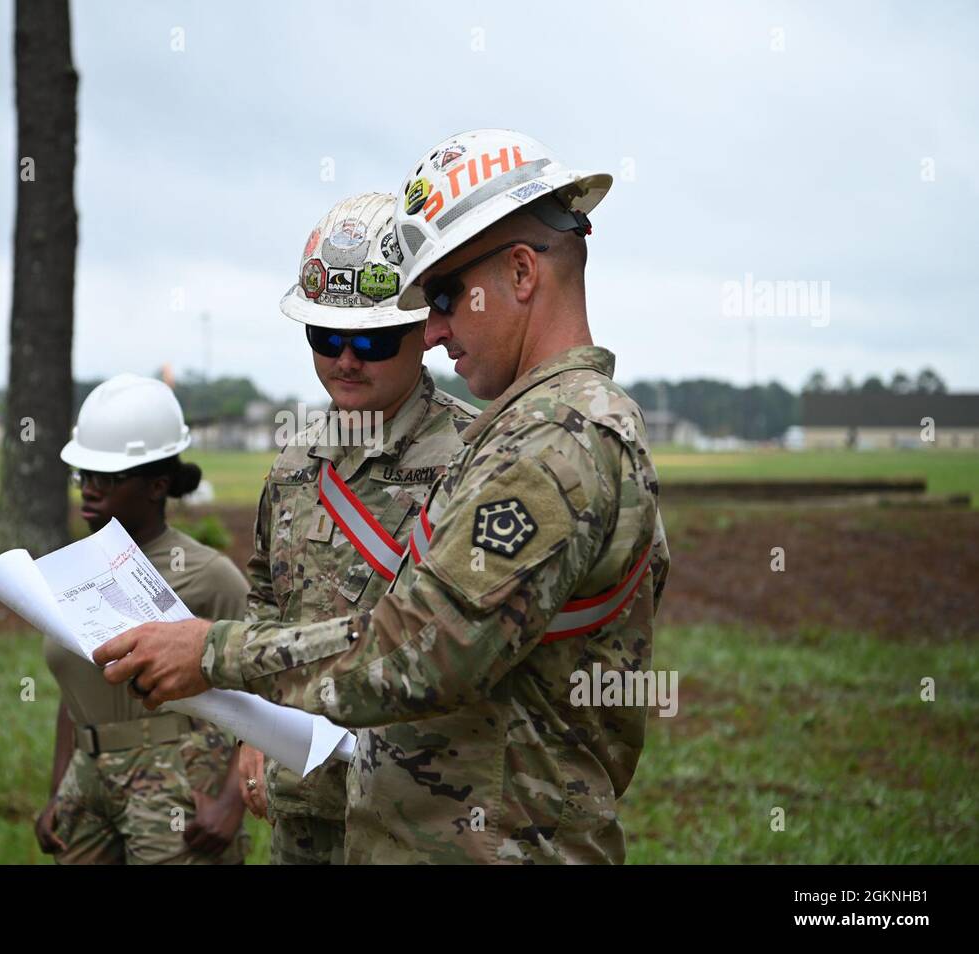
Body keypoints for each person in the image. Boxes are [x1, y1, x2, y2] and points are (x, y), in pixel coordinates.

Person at [94, 129, 672, 864]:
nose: (432, 329)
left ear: (522, 273)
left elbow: (425, 648)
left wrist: (212, 653)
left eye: (442, 296)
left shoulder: (555, 440)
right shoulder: (539, 430)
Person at [234, 192, 476, 864]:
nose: (346, 359)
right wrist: (252, 731)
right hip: (304, 803)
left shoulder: (476, 455)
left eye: (370, 339)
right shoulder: (293, 464)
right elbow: (266, 605)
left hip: (419, 812)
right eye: (325, 338)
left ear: (424, 330)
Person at [35, 374, 251, 865]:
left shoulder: (210, 576)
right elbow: (75, 691)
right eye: (82, 476)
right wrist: (58, 791)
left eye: (106, 479)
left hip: (173, 783)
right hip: (86, 786)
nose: (88, 489)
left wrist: (230, 805)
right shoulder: (72, 571)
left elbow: (268, 691)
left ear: (157, 487)